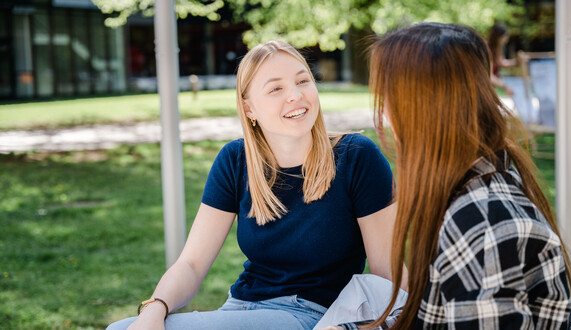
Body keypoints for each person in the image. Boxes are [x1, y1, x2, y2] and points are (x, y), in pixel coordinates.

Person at [106, 40, 401, 330]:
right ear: (249, 109)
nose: (295, 96)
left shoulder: (357, 156)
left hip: (313, 315)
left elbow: (389, 274)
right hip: (239, 306)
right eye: (276, 89)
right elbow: (192, 264)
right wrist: (155, 307)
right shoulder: (235, 159)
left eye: (303, 81)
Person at [320, 22, 571, 330]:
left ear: (419, 108)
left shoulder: (480, 223)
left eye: (388, 97)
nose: (385, 114)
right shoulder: (473, 185)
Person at [487, 23, 527, 96]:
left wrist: (518, 61)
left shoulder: (497, 49)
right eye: (505, 37)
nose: (506, 41)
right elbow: (489, 76)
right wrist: (505, 86)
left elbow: (501, 63)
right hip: (485, 89)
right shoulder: (488, 50)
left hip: (491, 89)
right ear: (498, 37)